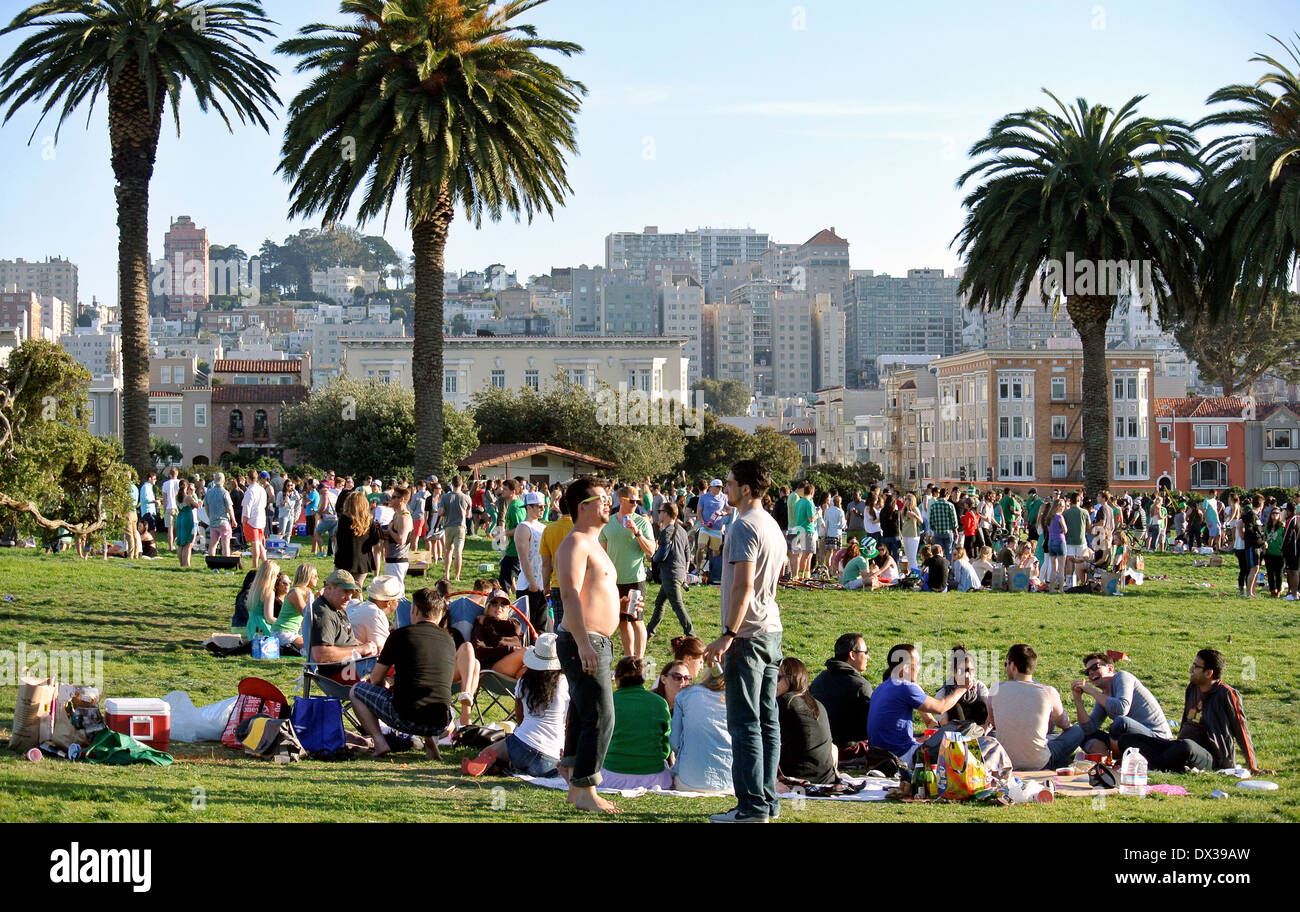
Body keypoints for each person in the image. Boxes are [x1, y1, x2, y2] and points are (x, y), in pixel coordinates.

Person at [704, 459, 786, 823]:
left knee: (745, 723)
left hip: (748, 634)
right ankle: (767, 803)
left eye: (732, 482)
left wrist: (728, 634)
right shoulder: (771, 524)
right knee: (768, 720)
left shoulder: (743, 527)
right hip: (771, 630)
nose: (728, 488)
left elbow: (744, 585)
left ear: (747, 488)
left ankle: (751, 808)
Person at [554, 476, 623, 813]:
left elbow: (592, 593)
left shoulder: (595, 542)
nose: (608, 502)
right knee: (601, 715)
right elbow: (568, 595)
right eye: (602, 497)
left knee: (585, 714)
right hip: (583, 641)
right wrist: (583, 644)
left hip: (595, 640)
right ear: (583, 507)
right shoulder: (575, 543)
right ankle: (585, 790)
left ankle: (571, 775)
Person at [350, 587, 457, 759]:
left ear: (414, 609)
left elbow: (375, 679)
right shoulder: (449, 640)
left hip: (405, 717)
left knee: (356, 690)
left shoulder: (400, 635)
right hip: (442, 720)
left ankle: (379, 743)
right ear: (440, 614)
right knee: (429, 692)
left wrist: (387, 683)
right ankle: (432, 746)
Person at [1117, 648, 1258, 773]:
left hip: (1210, 757)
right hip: (1179, 746)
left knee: (1186, 747)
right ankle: (1165, 763)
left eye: (1196, 666)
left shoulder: (1226, 694)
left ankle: (1153, 765)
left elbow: (1241, 730)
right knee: (1128, 738)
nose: (1191, 669)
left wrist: (1253, 766)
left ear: (1209, 673)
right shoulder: (1192, 688)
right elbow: (1186, 721)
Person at [461, 632, 572, 777]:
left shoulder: (524, 680)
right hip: (550, 755)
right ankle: (507, 767)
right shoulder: (566, 682)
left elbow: (519, 715)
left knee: (488, 752)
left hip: (519, 745)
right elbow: (570, 721)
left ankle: (500, 763)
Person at [987, 643, 1086, 771]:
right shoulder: (1048, 692)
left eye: (1006, 664)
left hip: (1005, 761)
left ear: (1012, 666)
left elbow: (994, 724)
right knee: (1077, 731)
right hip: (1040, 763)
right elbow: (1065, 724)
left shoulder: (995, 689)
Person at [867, 644, 968, 764]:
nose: (920, 668)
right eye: (917, 664)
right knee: (967, 730)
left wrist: (917, 739)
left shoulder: (880, 688)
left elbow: (893, 730)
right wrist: (962, 688)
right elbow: (940, 707)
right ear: (905, 668)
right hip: (901, 757)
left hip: (878, 756)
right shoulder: (905, 687)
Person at [1070, 652, 1171, 756]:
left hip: (1156, 739)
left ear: (1110, 668)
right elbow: (1088, 728)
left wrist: (1091, 691)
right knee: (1079, 733)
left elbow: (1121, 708)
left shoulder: (1122, 676)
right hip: (1130, 739)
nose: (1091, 673)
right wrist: (1077, 699)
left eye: (1095, 667)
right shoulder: (1102, 695)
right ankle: (1106, 761)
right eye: (1087, 672)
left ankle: (1116, 759)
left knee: (1120, 722)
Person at [599, 657, 673, 790]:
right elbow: (665, 744)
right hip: (655, 776)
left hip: (613, 774)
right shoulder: (660, 702)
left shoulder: (608, 700)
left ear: (617, 678)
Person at [599, 484, 655, 661]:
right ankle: (629, 659)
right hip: (614, 581)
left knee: (636, 620)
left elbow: (651, 551)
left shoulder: (641, 521)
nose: (636, 504)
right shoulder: (608, 522)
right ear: (622, 500)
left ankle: (639, 660)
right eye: (632, 501)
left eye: (638, 501)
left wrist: (636, 532)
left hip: (635, 578)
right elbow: (602, 551)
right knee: (623, 622)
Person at [777, 657, 838, 785]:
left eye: (777, 678)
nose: (771, 684)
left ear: (792, 679)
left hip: (798, 774)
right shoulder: (816, 703)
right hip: (825, 777)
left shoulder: (785, 702)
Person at [670, 667, 732, 792]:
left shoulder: (685, 694)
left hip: (689, 780)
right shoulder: (741, 698)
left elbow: (674, 742)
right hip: (731, 781)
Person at [809, 633, 873, 748]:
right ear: (852, 655)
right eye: (866, 652)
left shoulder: (819, 679)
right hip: (847, 747)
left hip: (817, 744)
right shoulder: (860, 686)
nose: (868, 657)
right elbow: (872, 726)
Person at [648, 500, 694, 639]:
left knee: (678, 607)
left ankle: (692, 636)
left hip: (670, 574)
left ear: (667, 513)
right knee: (659, 603)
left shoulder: (666, 532)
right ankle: (648, 632)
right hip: (678, 573)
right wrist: (685, 573)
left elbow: (661, 555)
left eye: (660, 511)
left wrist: (652, 556)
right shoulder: (682, 531)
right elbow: (687, 554)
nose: (658, 514)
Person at [469, 588, 526, 679]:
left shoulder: (514, 624)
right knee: (527, 652)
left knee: (532, 671)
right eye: (494, 603)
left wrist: (489, 621)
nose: (499, 607)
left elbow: (515, 630)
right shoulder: (482, 624)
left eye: (503, 604)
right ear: (488, 607)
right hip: (493, 667)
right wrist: (510, 650)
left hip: (517, 663)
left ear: (508, 608)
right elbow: (478, 651)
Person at [334, 486, 382, 590]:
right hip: (362, 562)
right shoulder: (369, 521)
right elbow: (375, 540)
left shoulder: (344, 520)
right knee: (357, 591)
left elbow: (340, 541)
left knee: (341, 591)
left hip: (345, 560)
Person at [514, 491, 548, 632]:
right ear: (528, 507)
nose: (543, 510)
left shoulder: (543, 527)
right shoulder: (523, 527)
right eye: (539, 506)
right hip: (528, 586)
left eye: (544, 506)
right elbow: (524, 558)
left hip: (542, 585)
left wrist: (546, 583)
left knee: (541, 628)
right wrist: (532, 583)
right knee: (528, 629)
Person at [348, 574, 404, 654]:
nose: (398, 604)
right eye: (398, 600)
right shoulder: (376, 614)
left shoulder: (356, 605)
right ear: (389, 602)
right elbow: (383, 652)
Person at [538, 505, 574, 628]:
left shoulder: (549, 529)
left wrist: (546, 586)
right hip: (579, 585)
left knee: (560, 625)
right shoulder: (581, 528)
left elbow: (545, 563)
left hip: (557, 584)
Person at [273, 562, 316, 652]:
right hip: (282, 632)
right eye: (315, 576)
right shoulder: (295, 592)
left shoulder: (307, 592)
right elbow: (307, 613)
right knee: (312, 648)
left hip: (293, 632)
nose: (317, 579)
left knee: (316, 646)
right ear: (307, 576)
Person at [438, 476, 473, 583]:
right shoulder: (467, 498)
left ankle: (447, 573)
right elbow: (468, 515)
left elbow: (440, 512)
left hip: (448, 526)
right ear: (462, 484)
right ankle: (457, 576)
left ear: (451, 484)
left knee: (448, 551)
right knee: (458, 552)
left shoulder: (445, 497)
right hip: (461, 527)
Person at [243, 559, 285, 643]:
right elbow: (269, 617)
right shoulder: (269, 592)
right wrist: (282, 623)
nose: (277, 578)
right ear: (271, 576)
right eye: (276, 575)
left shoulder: (253, 589)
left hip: (251, 625)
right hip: (263, 627)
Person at [496, 479, 525, 591]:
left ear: (513, 492)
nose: (502, 491)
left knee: (503, 583)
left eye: (505, 489)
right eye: (502, 488)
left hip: (516, 551)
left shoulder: (515, 507)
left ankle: (504, 605)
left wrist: (503, 533)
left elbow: (521, 528)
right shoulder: (512, 505)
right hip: (512, 549)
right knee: (505, 579)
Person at [239, 470, 268, 566]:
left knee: (255, 543)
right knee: (259, 543)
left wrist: (244, 520)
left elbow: (247, 507)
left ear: (248, 479)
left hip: (252, 520)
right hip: (261, 518)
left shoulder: (250, 491)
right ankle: (265, 563)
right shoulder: (262, 489)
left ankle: (255, 565)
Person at [204, 473, 235, 557]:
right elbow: (229, 508)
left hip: (213, 521)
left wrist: (209, 516)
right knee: (225, 545)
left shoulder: (209, 492)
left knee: (212, 545)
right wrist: (233, 520)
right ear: (223, 481)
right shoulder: (225, 492)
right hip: (223, 521)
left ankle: (212, 564)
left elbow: (206, 507)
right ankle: (226, 564)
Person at [927, 489, 958, 559]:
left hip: (937, 532)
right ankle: (949, 568)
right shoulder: (950, 505)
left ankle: (939, 567)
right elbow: (954, 520)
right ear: (947, 495)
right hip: (948, 532)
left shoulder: (933, 505)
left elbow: (931, 520)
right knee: (949, 552)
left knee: (938, 553)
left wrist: (934, 529)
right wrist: (955, 530)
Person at [175, 480, 199, 568]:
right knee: (188, 543)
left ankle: (181, 563)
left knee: (181, 542)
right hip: (187, 518)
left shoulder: (177, 497)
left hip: (180, 518)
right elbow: (197, 505)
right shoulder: (188, 497)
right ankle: (186, 564)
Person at [161, 468, 180, 550]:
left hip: (169, 506)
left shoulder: (165, 484)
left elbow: (164, 498)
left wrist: (164, 509)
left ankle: (170, 546)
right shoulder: (180, 483)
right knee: (178, 528)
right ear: (177, 474)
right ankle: (175, 544)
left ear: (170, 474)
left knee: (170, 528)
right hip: (178, 507)